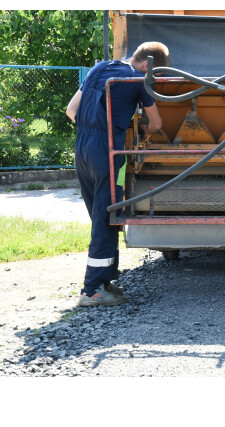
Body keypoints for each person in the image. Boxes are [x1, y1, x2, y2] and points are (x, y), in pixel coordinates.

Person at [65, 42, 170, 307]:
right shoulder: (136, 80)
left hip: (82, 148)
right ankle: (92, 291)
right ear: (148, 65)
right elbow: (156, 123)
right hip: (107, 150)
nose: (153, 78)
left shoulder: (98, 68)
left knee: (101, 215)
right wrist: (144, 129)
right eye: (154, 73)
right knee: (106, 215)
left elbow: (71, 110)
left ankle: (104, 280)